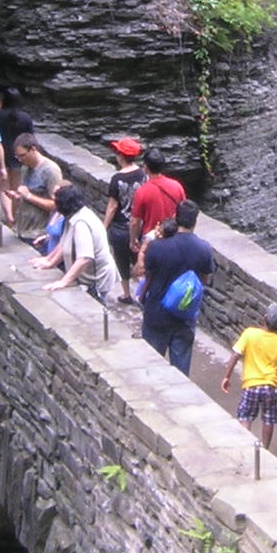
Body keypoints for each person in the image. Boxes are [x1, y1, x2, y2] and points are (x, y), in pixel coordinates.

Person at [137, 201, 215, 375]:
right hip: (184, 316)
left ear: (175, 217)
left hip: (156, 314)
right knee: (181, 373)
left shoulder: (157, 247)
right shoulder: (204, 249)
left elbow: (146, 275)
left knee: (151, 368)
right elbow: (205, 279)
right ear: (195, 221)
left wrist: (142, 296)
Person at [221, 302, 277, 449]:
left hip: (251, 385)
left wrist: (227, 376)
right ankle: (265, 448)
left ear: (264, 318)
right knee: (268, 418)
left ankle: (247, 447)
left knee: (245, 416)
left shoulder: (250, 333)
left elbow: (235, 355)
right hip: (270, 386)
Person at [40, 182, 124, 302]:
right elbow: (64, 244)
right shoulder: (72, 217)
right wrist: (49, 261)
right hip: (88, 277)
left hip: (96, 280)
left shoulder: (81, 223)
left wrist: (64, 281)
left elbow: (85, 258)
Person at [103, 136, 150, 283]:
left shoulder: (117, 179)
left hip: (120, 227)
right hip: (141, 226)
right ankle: (142, 291)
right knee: (141, 262)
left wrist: (103, 227)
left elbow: (112, 206)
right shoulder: (144, 174)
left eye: (117, 152)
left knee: (121, 261)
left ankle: (126, 293)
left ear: (121, 156)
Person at [6, 133, 63, 242]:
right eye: (17, 156)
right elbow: (27, 194)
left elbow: (56, 205)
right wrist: (19, 196)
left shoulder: (51, 171)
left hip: (38, 235)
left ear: (33, 149)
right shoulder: (25, 168)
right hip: (22, 231)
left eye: (22, 155)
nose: (20, 160)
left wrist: (28, 196)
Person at [129, 157, 188, 256]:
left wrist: (132, 240)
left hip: (152, 239)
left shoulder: (142, 192)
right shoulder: (177, 186)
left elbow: (135, 222)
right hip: (173, 237)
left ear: (145, 167)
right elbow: (184, 210)